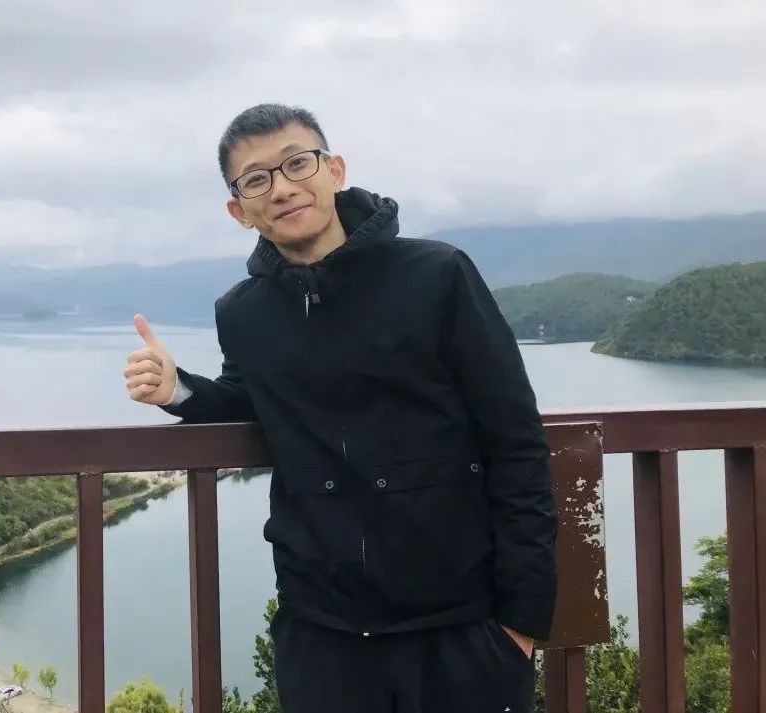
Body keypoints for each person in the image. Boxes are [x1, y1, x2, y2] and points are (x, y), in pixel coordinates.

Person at [123, 103, 557, 712]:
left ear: (335, 170)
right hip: (321, 632)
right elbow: (250, 398)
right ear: (238, 210)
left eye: (297, 163)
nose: (282, 188)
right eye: (256, 179)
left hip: (461, 624)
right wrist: (179, 390)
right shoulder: (243, 311)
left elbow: (515, 442)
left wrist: (521, 623)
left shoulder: (437, 275)